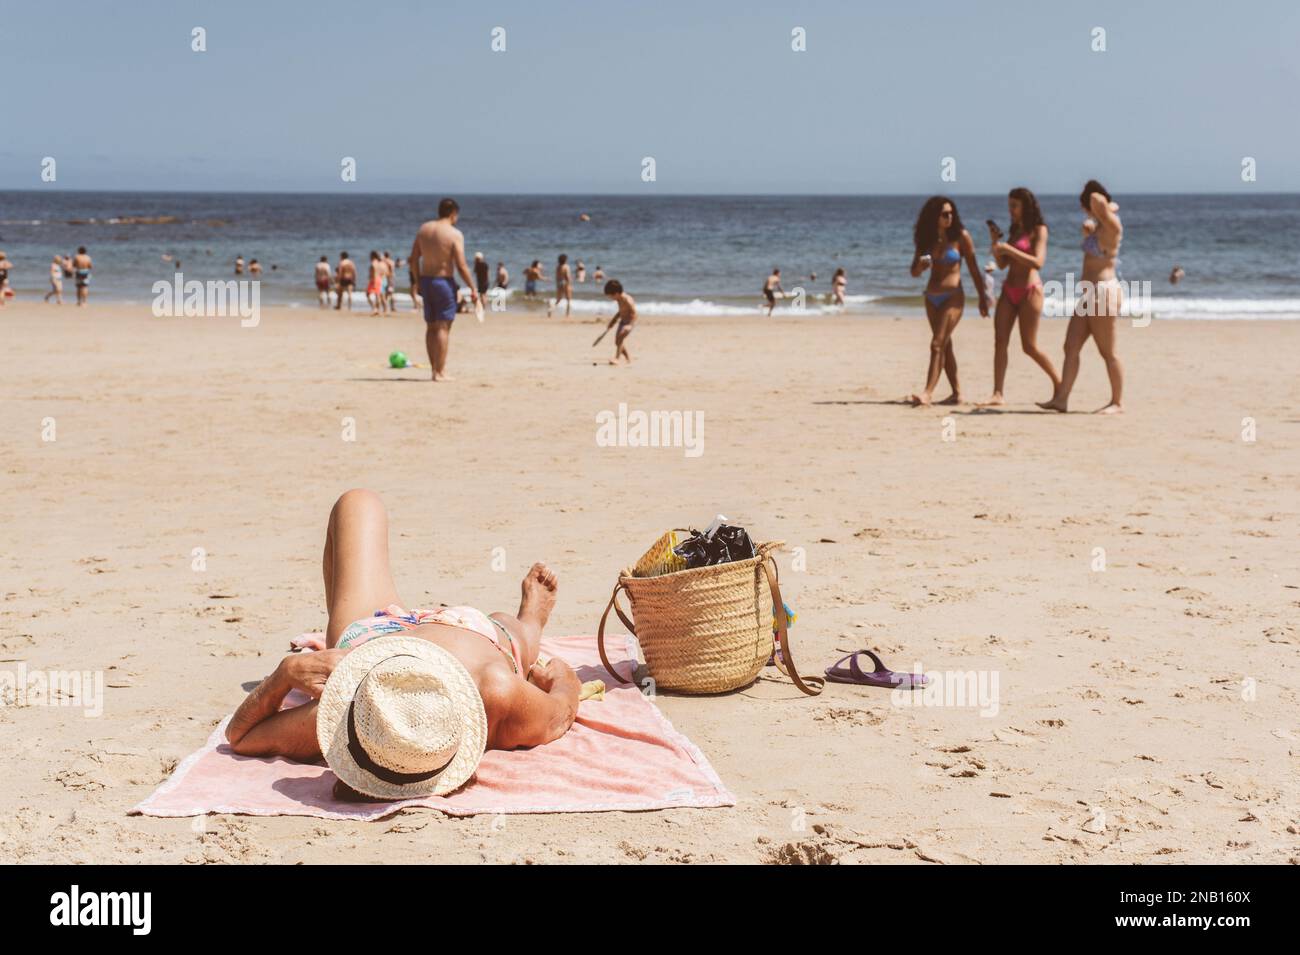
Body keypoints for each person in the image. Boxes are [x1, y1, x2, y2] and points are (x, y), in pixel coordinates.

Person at [224, 489, 580, 800]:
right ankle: (532, 617)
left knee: (357, 502)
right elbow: (561, 710)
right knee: (511, 629)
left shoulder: (344, 721)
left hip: (372, 637)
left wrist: (285, 675)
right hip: (475, 635)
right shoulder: (499, 693)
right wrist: (561, 680)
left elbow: (240, 736)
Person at [1039, 180, 1125, 414]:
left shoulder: (1112, 224)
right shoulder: (1099, 225)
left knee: (1107, 352)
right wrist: (1089, 228)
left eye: (1085, 204)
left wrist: (1097, 198)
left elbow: (1100, 202)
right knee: (1071, 346)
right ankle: (1062, 398)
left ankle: (1117, 402)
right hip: (1088, 294)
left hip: (1104, 291)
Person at [978, 187, 1060, 407]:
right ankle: (997, 393)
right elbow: (1004, 265)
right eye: (1009, 205)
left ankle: (1059, 383)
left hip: (1030, 291)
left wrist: (1009, 249)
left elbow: (1038, 262)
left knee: (1029, 346)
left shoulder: (1039, 230)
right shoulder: (1014, 230)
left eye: (1014, 205)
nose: (1011, 210)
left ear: (1026, 205)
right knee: (1000, 341)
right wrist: (995, 245)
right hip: (1009, 290)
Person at [907, 196, 990, 406]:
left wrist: (982, 297)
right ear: (934, 216)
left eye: (952, 213)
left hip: (953, 297)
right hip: (931, 298)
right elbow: (913, 272)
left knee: (937, 344)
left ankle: (927, 393)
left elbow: (973, 268)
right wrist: (921, 266)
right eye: (945, 214)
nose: (949, 217)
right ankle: (956, 393)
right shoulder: (926, 239)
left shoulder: (961, 237)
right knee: (945, 345)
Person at [410, 197, 479, 382]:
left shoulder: (424, 229)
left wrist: (416, 281)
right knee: (443, 327)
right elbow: (462, 265)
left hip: (426, 280)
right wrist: (473, 288)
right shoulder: (454, 233)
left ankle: (434, 369)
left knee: (431, 326)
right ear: (453, 214)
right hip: (443, 282)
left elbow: (414, 258)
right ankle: (439, 372)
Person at [598, 279, 637, 365]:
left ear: (616, 293)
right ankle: (628, 358)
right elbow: (621, 311)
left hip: (629, 322)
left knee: (620, 338)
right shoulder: (619, 299)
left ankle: (617, 358)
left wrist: (630, 325)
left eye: (610, 296)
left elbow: (634, 313)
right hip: (622, 321)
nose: (610, 298)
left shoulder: (627, 300)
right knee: (617, 342)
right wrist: (613, 321)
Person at [365, 252, 388, 316]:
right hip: (379, 279)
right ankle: (378, 309)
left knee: (369, 295)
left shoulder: (373, 263)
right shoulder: (379, 263)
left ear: (372, 256)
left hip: (374, 280)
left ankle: (375, 309)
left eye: (370, 255)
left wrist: (373, 281)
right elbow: (383, 272)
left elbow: (374, 273)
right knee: (378, 296)